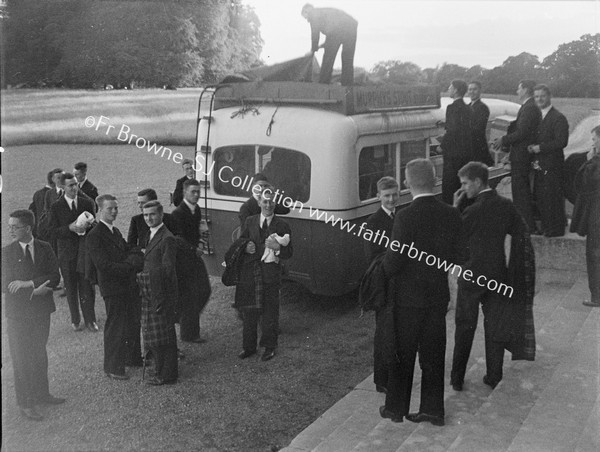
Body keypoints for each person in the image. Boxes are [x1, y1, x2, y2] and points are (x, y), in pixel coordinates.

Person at [381, 159, 462, 425]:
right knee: (434, 356)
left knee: (402, 356)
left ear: (407, 183)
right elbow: (458, 255)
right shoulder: (451, 213)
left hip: (407, 300)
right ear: (435, 178)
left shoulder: (404, 216)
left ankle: (395, 409)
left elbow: (393, 264)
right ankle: (433, 410)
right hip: (437, 297)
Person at [450, 162, 529, 391]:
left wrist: (455, 207)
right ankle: (494, 375)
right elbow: (520, 232)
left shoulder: (471, 210)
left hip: (472, 276)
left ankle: (457, 378)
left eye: (465, 183)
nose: (463, 189)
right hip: (497, 275)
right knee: (495, 327)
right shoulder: (506, 205)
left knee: (465, 326)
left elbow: (454, 236)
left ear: (477, 181)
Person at [2, 210, 64, 421]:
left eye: (14, 227)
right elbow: (6, 284)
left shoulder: (45, 247)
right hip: (18, 316)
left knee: (39, 353)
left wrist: (29, 284)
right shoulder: (6, 253)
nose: (10, 230)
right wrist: (33, 291)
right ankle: (26, 403)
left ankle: (42, 394)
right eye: (9, 226)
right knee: (21, 359)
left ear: (28, 228)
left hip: (40, 312)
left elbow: (54, 276)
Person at [87, 195, 144, 380]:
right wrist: (130, 265)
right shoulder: (95, 235)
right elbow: (104, 265)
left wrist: (130, 260)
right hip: (113, 288)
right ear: (99, 210)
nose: (114, 212)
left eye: (116, 208)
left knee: (131, 322)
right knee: (116, 326)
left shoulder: (115, 231)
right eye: (110, 208)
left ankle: (131, 358)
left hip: (125, 284)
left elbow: (131, 249)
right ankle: (113, 367)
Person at [237, 185, 292, 362]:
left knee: (270, 312)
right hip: (251, 274)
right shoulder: (250, 221)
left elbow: (289, 252)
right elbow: (241, 241)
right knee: (250, 311)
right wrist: (245, 246)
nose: (268, 205)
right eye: (265, 201)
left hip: (270, 275)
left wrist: (278, 249)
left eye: (271, 201)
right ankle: (249, 347)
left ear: (275, 203)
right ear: (259, 201)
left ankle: (269, 347)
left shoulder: (283, 225)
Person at [136, 201, 179, 385]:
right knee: (157, 334)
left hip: (160, 291)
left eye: (152, 214)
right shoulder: (151, 233)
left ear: (161, 214)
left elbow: (168, 268)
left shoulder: (167, 237)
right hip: (152, 288)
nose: (148, 218)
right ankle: (161, 371)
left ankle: (166, 375)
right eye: (145, 215)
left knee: (163, 335)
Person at [48, 172, 97, 332]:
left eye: (75, 184)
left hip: (84, 252)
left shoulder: (86, 203)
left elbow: (94, 225)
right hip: (66, 254)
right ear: (62, 187)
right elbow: (51, 231)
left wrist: (88, 225)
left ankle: (90, 320)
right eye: (70, 185)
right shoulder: (56, 206)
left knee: (87, 287)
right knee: (70, 287)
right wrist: (69, 228)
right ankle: (75, 320)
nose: (74, 188)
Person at [363, 176, 398, 393]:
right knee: (383, 333)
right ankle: (381, 380)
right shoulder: (373, 223)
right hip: (384, 286)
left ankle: (393, 375)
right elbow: (374, 258)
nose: (391, 199)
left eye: (394, 194)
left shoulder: (401, 217)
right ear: (378, 197)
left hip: (400, 285)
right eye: (386, 196)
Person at [493, 80, 541, 232]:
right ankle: (527, 224)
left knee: (521, 193)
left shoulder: (530, 108)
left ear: (526, 90)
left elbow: (522, 133)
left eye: (519, 88)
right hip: (523, 155)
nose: (517, 91)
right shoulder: (529, 107)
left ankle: (527, 226)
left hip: (522, 157)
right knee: (521, 192)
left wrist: (503, 139)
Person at [170, 179, 212, 343]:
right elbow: (177, 239)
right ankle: (189, 333)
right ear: (185, 192)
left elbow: (199, 231)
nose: (196, 194)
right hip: (183, 260)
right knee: (190, 296)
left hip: (194, 257)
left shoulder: (197, 210)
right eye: (193, 191)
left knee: (204, 290)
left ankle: (184, 321)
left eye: (198, 191)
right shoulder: (178, 213)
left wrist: (201, 242)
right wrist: (193, 249)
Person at [528, 84, 569, 237]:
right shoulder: (538, 117)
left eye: (542, 96)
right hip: (539, 165)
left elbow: (561, 141)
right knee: (542, 197)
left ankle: (555, 230)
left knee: (552, 197)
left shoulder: (558, 118)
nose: (539, 99)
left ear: (549, 96)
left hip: (552, 165)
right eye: (536, 96)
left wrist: (540, 148)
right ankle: (547, 228)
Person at [571, 126, 600, 307]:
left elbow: (586, 183)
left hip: (597, 215)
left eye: (595, 139)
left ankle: (597, 296)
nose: (593, 142)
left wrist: (589, 161)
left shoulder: (596, 161)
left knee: (595, 254)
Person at [301, 3, 358, 86]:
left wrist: (313, 50)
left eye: (305, 16)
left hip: (338, 29)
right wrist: (320, 46)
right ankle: (347, 85)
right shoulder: (325, 13)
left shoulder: (313, 14)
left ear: (306, 10)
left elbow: (315, 34)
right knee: (348, 58)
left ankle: (323, 83)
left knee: (328, 57)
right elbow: (332, 38)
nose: (307, 20)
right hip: (351, 25)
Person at [441, 79, 474, 204]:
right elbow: (462, 128)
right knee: (462, 187)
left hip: (453, 155)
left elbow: (453, 130)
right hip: (465, 155)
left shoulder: (452, 107)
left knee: (449, 187)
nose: (448, 89)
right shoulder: (468, 108)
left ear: (455, 90)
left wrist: (442, 145)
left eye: (450, 87)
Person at [468, 81, 493, 166]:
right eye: (470, 89)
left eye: (474, 89)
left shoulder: (483, 108)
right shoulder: (467, 107)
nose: (472, 92)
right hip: (468, 147)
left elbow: (478, 128)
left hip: (477, 147)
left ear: (480, 91)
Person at [29, 170, 55, 239]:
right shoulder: (53, 195)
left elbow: (31, 212)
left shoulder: (37, 194)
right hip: (50, 234)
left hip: (39, 232)